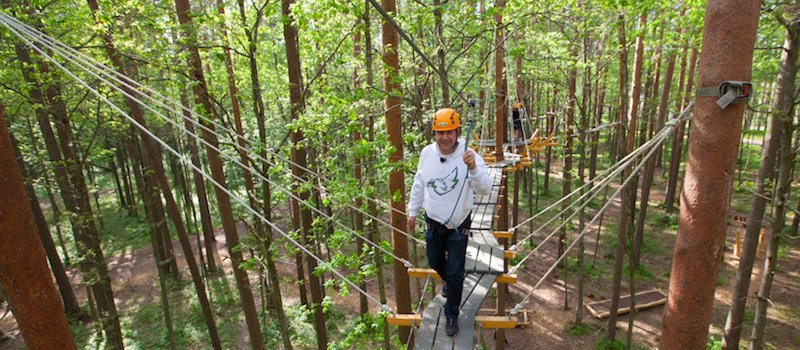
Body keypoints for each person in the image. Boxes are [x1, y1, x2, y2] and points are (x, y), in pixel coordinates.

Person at [407, 107, 492, 336]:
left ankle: (451, 314)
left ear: (456, 132)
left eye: (449, 133)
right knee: (435, 261)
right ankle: (452, 283)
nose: (445, 138)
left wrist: (473, 167)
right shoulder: (427, 153)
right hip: (433, 223)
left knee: (455, 272)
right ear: (434, 133)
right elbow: (419, 183)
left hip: (458, 226)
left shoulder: (469, 154)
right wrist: (412, 210)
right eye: (440, 133)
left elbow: (485, 189)